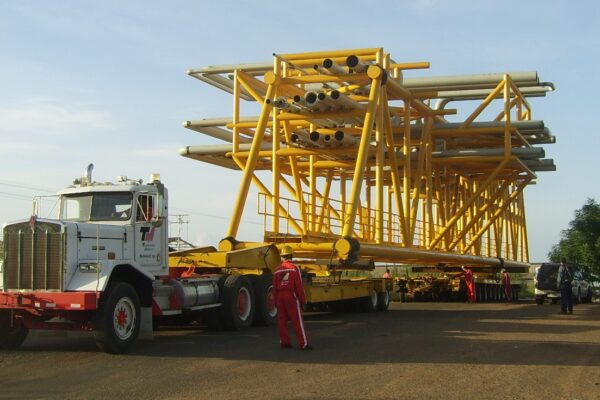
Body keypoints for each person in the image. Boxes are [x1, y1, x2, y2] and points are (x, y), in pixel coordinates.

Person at [273, 246, 311, 350]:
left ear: (282, 257)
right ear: (291, 256)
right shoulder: (294, 268)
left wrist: (275, 302)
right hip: (291, 296)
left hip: (280, 297)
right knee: (297, 320)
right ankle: (304, 344)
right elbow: (299, 286)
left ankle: (285, 342)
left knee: (282, 321)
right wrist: (303, 300)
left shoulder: (277, 270)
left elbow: (274, 287)